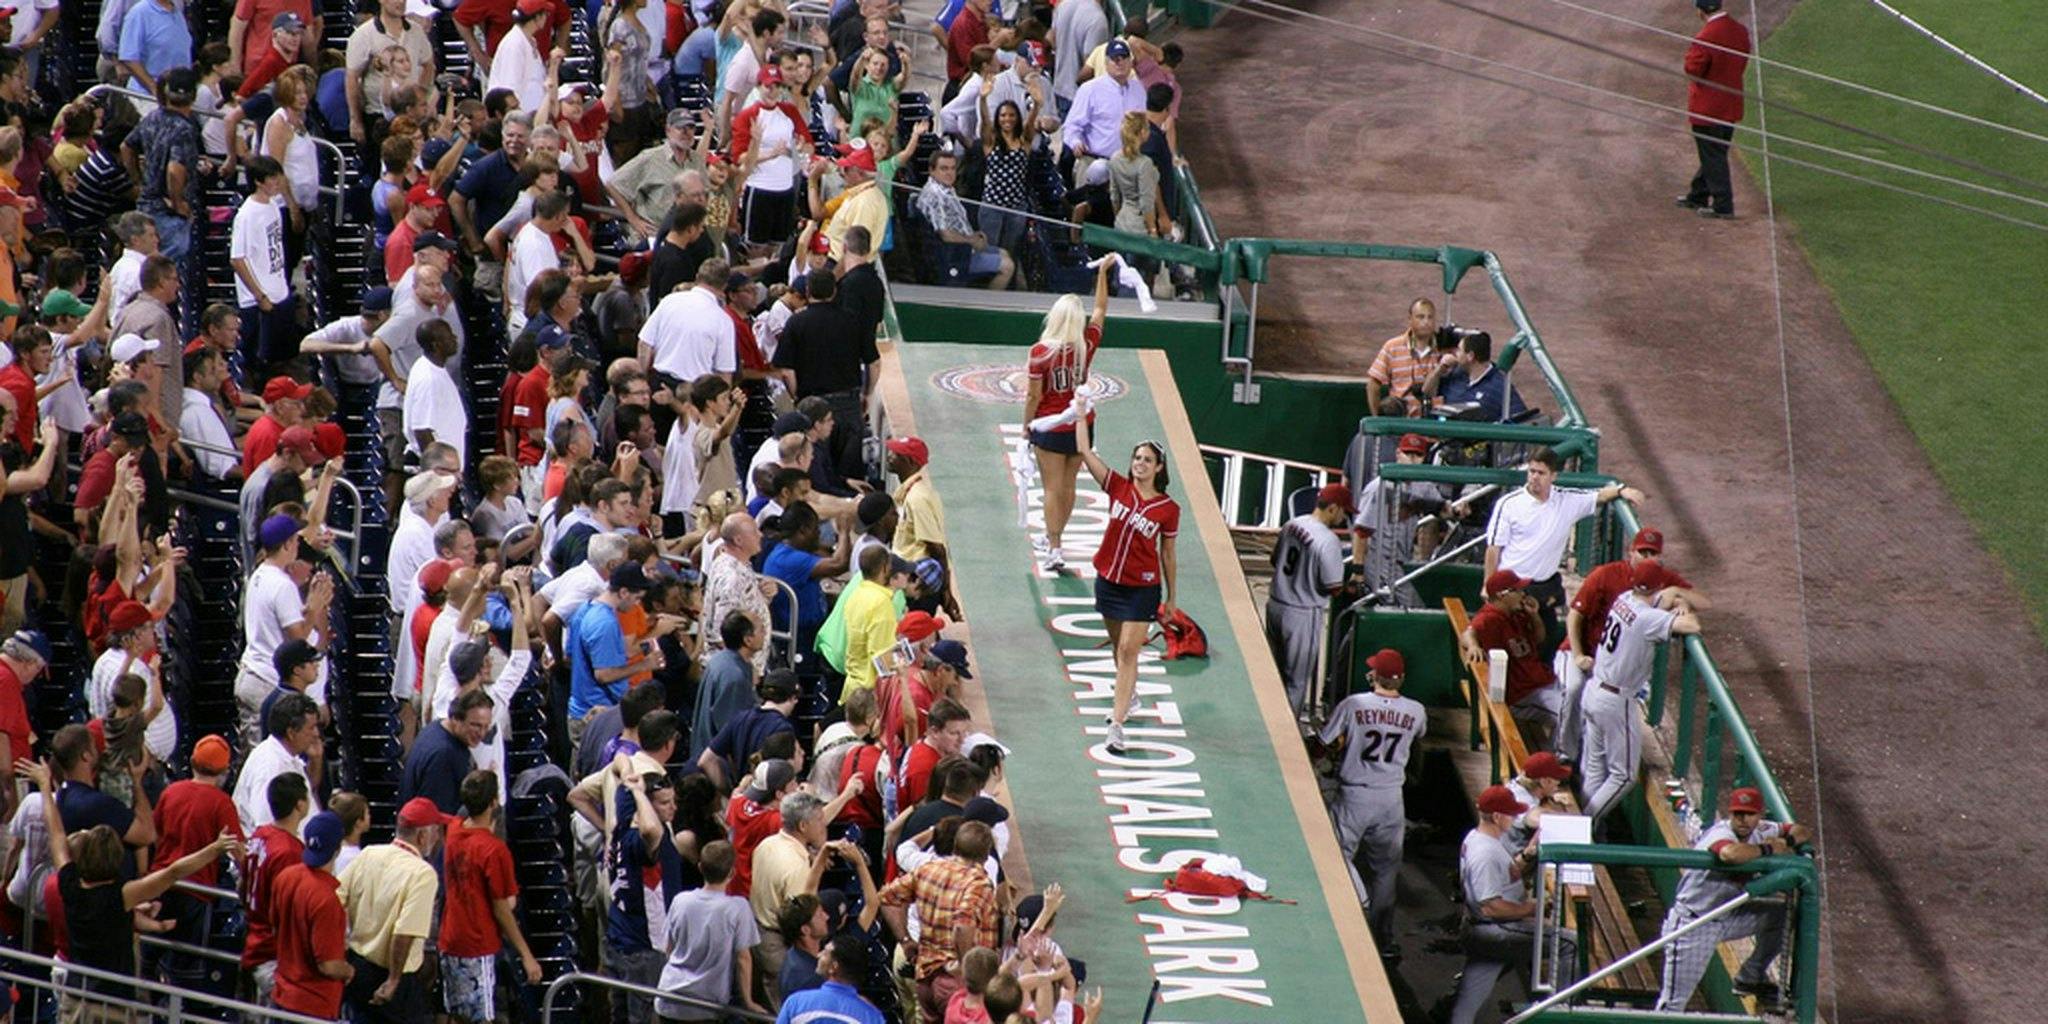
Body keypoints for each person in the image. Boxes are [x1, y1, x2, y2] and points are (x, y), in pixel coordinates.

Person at [19, 757, 240, 1019]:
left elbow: (56, 835)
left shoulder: (69, 885)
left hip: (76, 997)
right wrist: (214, 849)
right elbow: (174, 872)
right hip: (112, 1006)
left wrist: (45, 787)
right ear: (116, 861)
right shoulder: (122, 894)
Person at [1071, 404, 1177, 755]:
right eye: (1137, 458)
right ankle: (1129, 697)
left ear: (1159, 467)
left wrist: (1172, 597)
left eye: (1147, 459)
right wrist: (1080, 414)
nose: (1140, 463)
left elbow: (1167, 554)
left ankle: (1116, 727)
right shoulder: (1116, 486)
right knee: (1119, 650)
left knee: (1129, 651)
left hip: (1142, 588)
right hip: (1108, 582)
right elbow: (1085, 452)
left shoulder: (1167, 509)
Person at [1655, 787, 1811, 1010]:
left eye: (1749, 814)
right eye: (1738, 813)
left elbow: (1802, 830)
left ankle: (1750, 978)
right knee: (1673, 1003)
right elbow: (1731, 854)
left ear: (1760, 815)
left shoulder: (1763, 829)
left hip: (1727, 915)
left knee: (1783, 914)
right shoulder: (1722, 834)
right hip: (1693, 923)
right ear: (1730, 814)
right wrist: (1768, 848)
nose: (1743, 820)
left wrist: (1786, 841)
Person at [1560, 528, 1706, 761]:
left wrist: (1679, 596)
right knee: (1574, 688)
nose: (1647, 557)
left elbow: (1702, 601)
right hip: (1578, 651)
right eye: (1642, 552)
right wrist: (1578, 655)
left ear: (1660, 558)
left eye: (1652, 553)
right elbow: (1574, 615)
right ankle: (1563, 754)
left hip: (1607, 666)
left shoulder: (1640, 590)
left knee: (1596, 736)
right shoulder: (1606, 575)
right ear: (1631, 552)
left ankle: (1580, 763)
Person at [1315, 648, 1424, 958]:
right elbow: (1417, 742)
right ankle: (1383, 942)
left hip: (1355, 795)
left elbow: (1322, 745)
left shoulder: (1354, 704)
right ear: (1400, 679)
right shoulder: (1416, 710)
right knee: (1387, 870)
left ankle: (1351, 916)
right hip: (1391, 798)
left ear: (1375, 676)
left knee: (1337, 857)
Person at [1578, 560, 1702, 824]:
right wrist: (1682, 605)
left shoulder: (1623, 598)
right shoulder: (1648, 618)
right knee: (1623, 776)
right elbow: (1691, 626)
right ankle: (1583, 825)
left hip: (1594, 690)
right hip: (1614, 700)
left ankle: (1586, 829)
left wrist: (1670, 600)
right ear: (1658, 587)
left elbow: (1652, 608)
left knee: (1595, 769)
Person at [1482, 447, 1644, 648]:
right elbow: (1493, 548)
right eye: (1531, 471)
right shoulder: (1509, 504)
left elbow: (1598, 496)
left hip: (1545, 587)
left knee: (1547, 643)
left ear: (1553, 476)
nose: (1534, 477)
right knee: (1506, 646)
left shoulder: (1566, 501)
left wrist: (1621, 491)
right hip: (1512, 589)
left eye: (1540, 473)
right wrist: (1488, 586)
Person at [1447, 785, 1578, 1024]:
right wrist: (1533, 908)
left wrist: (1528, 853)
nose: (1515, 817)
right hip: (1491, 928)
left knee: (1470, 998)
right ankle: (1560, 1015)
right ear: (1497, 817)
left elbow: (1509, 873)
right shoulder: (1485, 852)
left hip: (1483, 928)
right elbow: (1491, 907)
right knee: (1569, 943)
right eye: (1510, 814)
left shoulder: (1479, 837)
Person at [1023, 262, 1112, 573]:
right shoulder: (1086, 344)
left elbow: (1034, 396)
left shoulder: (1040, 352)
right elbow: (1101, 308)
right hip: (1080, 424)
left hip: (1050, 425)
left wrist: (1026, 426)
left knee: (1051, 488)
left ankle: (1054, 545)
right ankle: (1056, 540)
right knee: (1069, 486)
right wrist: (1102, 274)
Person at [442, 771, 543, 1024]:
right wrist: (527, 955)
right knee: (482, 1018)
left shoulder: (453, 831)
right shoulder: (494, 850)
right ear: (494, 803)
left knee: (457, 1016)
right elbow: (503, 907)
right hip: (478, 944)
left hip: (450, 939)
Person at [339, 797, 450, 1024]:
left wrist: (341, 948)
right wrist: (393, 980)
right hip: (394, 980)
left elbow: (334, 899)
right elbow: (404, 932)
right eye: (437, 831)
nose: (439, 837)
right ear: (422, 836)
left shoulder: (369, 853)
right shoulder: (422, 873)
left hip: (358, 967)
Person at [879, 819, 998, 1022]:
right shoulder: (979, 883)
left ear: (956, 846)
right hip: (958, 983)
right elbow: (962, 926)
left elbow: (886, 898)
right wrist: (964, 969)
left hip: (925, 977)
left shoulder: (929, 869)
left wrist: (905, 940)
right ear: (986, 854)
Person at [1266, 483, 1355, 717]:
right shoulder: (1328, 541)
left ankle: (1266, 724)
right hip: (1302, 614)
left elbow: (1275, 561)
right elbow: (1334, 587)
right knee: (1295, 682)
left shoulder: (1292, 523)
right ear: (1333, 508)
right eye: (1343, 511)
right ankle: (1286, 738)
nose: (1344, 517)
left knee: (1272, 678)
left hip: (1275, 606)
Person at [656, 839, 763, 1020]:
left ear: (700, 867)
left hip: (669, 998)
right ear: (732, 873)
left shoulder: (680, 901)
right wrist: (748, 1001)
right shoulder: (738, 908)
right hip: (706, 1006)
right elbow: (743, 959)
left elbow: (669, 949)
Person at [1461, 570, 1562, 745]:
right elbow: (1468, 633)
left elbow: (1539, 639)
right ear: (1501, 595)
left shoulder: (1517, 612)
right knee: (1567, 714)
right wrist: (1474, 646)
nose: (1523, 594)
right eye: (1517, 590)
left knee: (1583, 706)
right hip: (1521, 694)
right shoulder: (1489, 617)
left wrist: (1534, 615)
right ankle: (1555, 761)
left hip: (1542, 682)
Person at [269, 811, 353, 1020]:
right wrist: (350, 971)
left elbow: (274, 927)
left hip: (282, 995)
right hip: (312, 1006)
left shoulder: (286, 877)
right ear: (338, 848)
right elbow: (329, 965)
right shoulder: (326, 898)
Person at [1675, 0, 1750, 220]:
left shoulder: (1706, 36)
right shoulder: (1739, 30)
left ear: (1701, 11)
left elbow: (1693, 69)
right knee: (1715, 153)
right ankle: (1698, 194)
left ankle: (1723, 205)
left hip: (1708, 108)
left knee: (1713, 156)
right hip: (1732, 104)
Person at [243, 773, 312, 1003]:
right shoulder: (289, 852)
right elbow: (286, 911)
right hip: (272, 952)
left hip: (255, 937)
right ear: (300, 805)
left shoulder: (260, 835)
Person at [914, 149, 1015, 289]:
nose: (949, 173)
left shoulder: (946, 188)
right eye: (944, 169)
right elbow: (945, 234)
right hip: (956, 255)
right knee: (1007, 266)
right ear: (932, 170)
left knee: (1005, 253)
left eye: (952, 168)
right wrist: (972, 241)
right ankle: (985, 307)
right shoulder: (936, 197)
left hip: (965, 246)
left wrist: (974, 236)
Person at [1061, 39, 1144, 172]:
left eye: (1123, 58)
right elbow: (1071, 126)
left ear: (1130, 62)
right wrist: (1075, 142)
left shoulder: (1139, 89)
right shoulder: (1090, 89)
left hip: (1129, 165)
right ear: (1106, 63)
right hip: (1094, 162)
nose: (1120, 62)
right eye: (1115, 59)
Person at [774, 934, 886, 1024]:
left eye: (825, 953)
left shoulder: (795, 1003)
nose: (819, 955)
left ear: (834, 967)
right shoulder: (873, 1018)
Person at [1424, 328, 1526, 423]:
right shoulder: (1457, 374)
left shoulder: (1499, 385)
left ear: (1470, 356)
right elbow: (1427, 391)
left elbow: (1520, 418)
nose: (1455, 353)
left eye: (1459, 350)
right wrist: (1440, 368)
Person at [1364, 297, 1442, 418]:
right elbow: (1373, 384)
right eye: (1421, 317)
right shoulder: (1392, 347)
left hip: (1435, 421)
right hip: (1401, 420)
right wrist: (1377, 419)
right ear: (1410, 319)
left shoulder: (1444, 350)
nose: (1426, 322)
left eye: (1430, 317)